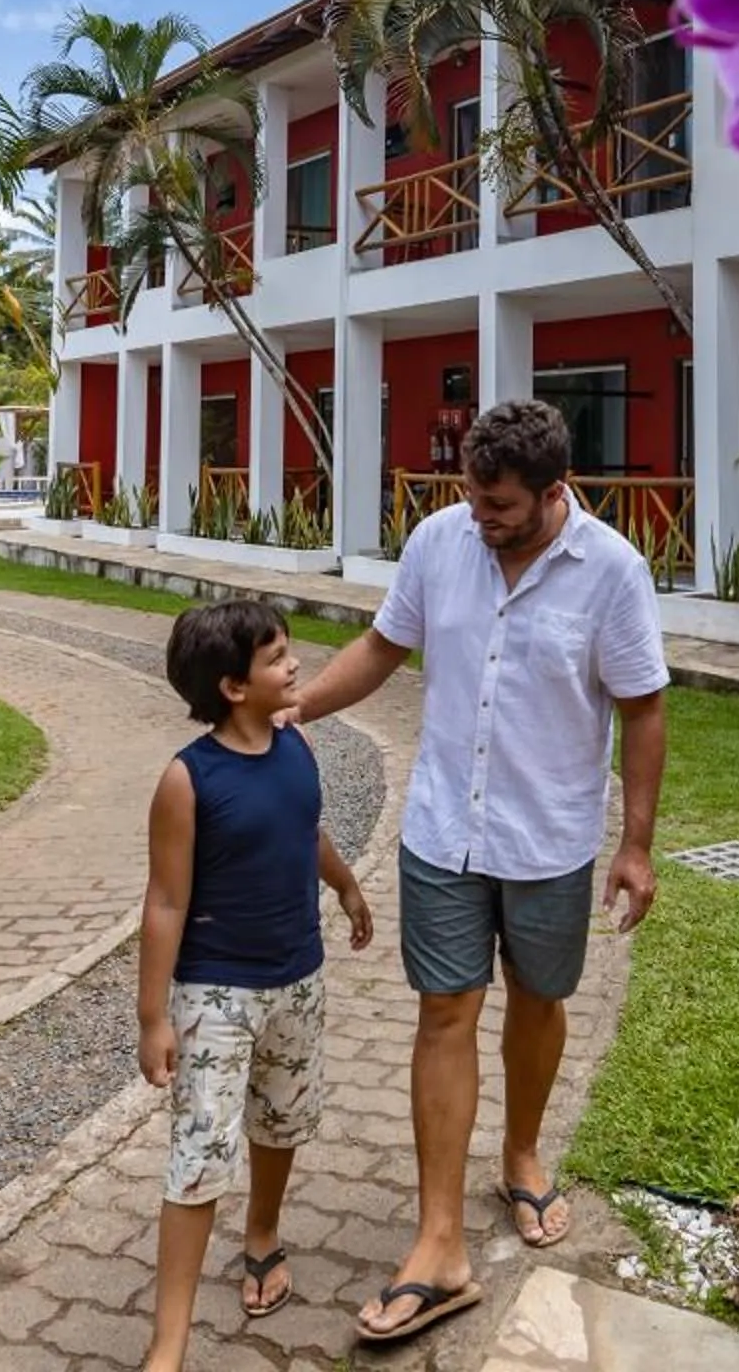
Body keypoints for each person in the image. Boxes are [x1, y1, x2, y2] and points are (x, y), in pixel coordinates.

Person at [280, 399, 668, 1346]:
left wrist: (637, 843)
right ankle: (439, 1239)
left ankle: (525, 1152)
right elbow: (383, 647)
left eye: (497, 504)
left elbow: (644, 707)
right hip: (444, 826)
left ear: (552, 491)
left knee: (537, 998)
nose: (479, 516)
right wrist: (300, 713)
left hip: (548, 839)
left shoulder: (612, 570)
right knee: (444, 1009)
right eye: (471, 495)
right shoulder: (439, 541)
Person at [137, 600, 371, 1370]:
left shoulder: (296, 745)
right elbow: (165, 901)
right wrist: (153, 1018)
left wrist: (345, 887)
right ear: (234, 687)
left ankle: (263, 1232)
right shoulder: (188, 780)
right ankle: (169, 1342)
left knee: (281, 1124)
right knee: (199, 1153)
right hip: (216, 994)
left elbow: (304, 830)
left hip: (297, 978)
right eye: (277, 658)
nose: (295, 665)